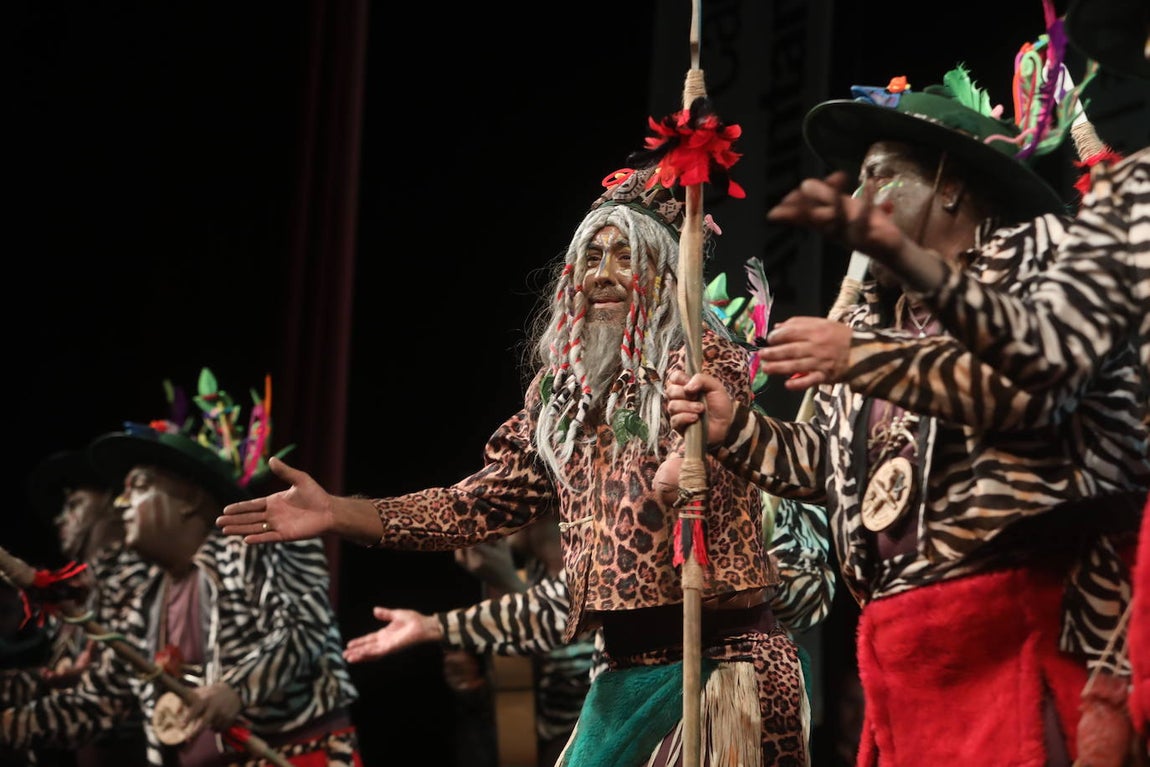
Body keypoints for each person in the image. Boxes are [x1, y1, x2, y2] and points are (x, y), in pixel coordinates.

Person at [217, 163, 812, 765]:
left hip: (722, 667)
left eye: (625, 257)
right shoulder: (559, 402)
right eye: (591, 258)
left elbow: (723, 392)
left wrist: (685, 461)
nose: (603, 275)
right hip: (621, 675)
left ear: (663, 276)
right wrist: (339, 512)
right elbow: (469, 508)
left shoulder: (702, 357)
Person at [662, 65, 1150, 765]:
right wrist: (735, 428)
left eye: (882, 175)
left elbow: (1024, 388)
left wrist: (861, 356)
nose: (861, 198)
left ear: (951, 183)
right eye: (857, 180)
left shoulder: (1038, 259)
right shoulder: (874, 313)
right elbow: (829, 463)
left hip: (1029, 627)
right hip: (908, 649)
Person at [0, 369, 363, 767]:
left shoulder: (261, 543)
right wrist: (13, 723)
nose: (122, 505)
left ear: (188, 498)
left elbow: (304, 628)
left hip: (295, 754)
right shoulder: (146, 595)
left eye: (137, 486)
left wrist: (236, 688)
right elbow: (106, 700)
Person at [3, 448, 152, 767]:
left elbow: (113, 699)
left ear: (114, 502)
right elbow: (60, 679)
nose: (59, 518)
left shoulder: (137, 578)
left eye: (74, 504)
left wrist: (11, 726)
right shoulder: (76, 592)